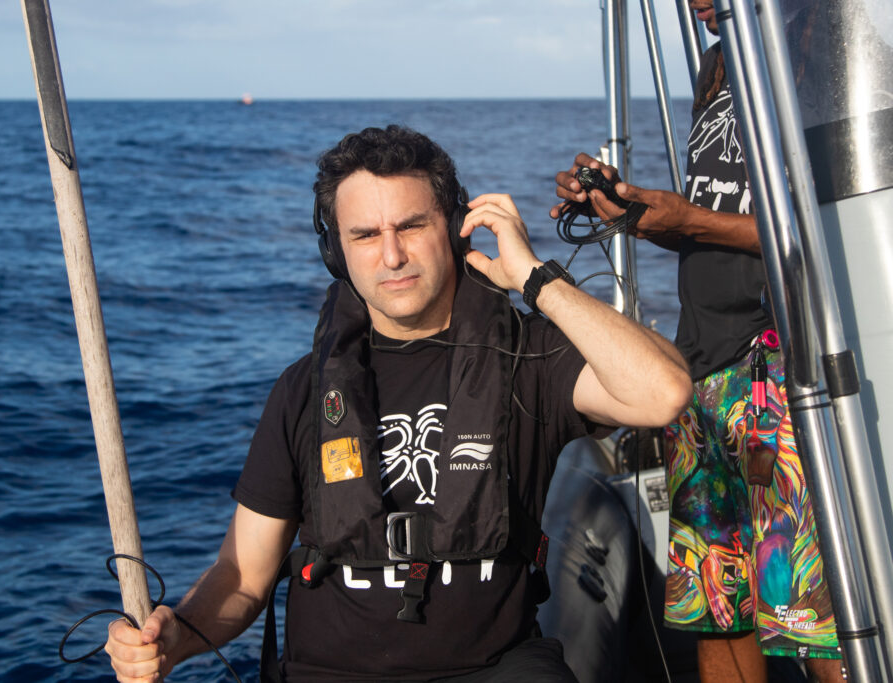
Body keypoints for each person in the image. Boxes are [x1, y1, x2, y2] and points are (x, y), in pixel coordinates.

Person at [105, 124, 691, 682]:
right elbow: (243, 577)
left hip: (494, 668)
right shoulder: (303, 391)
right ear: (337, 251)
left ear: (456, 228)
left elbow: (664, 392)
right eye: (365, 235)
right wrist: (177, 636)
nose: (391, 256)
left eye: (410, 226)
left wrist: (536, 276)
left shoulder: (529, 360)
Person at [550, 2, 844, 681]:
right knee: (718, 604)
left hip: (776, 362)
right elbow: (720, 218)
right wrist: (636, 214)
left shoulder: (819, 56)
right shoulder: (720, 67)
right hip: (702, 369)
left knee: (811, 614)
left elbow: (817, 222)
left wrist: (687, 215)